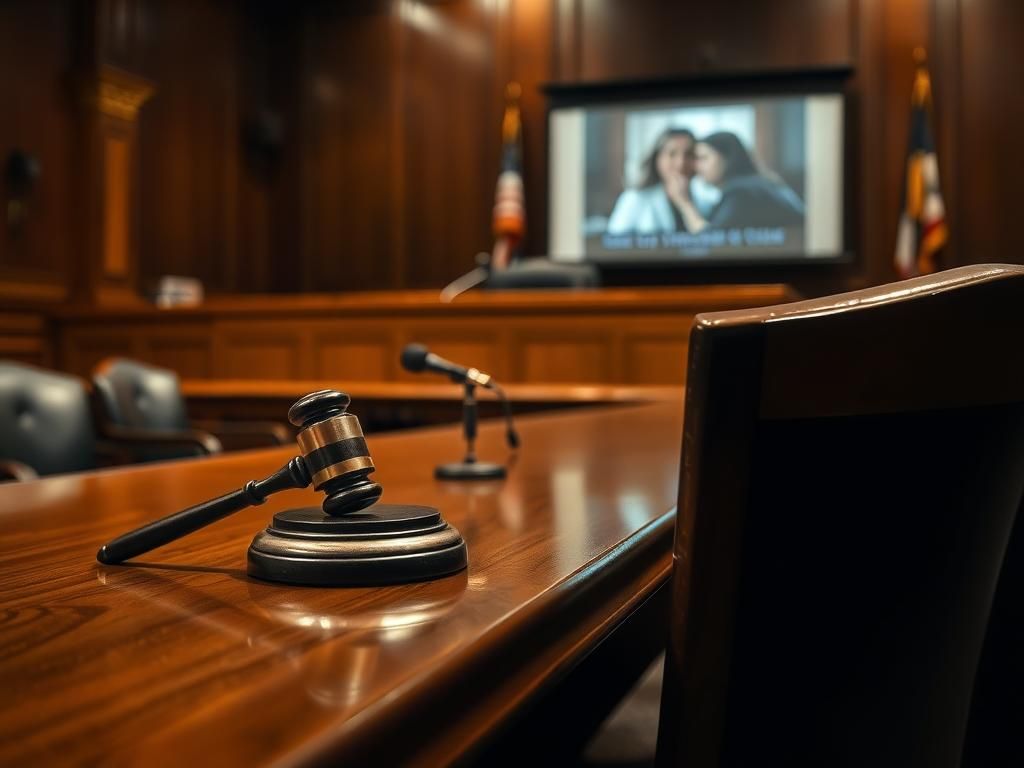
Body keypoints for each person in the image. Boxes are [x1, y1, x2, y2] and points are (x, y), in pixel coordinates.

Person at [675, 131, 805, 233]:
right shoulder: (756, 183)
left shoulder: (741, 192)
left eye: (703, 158)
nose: (696, 166)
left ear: (728, 158)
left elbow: (709, 241)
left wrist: (684, 203)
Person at [607, 128, 696, 234]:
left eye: (688, 154)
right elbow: (614, 243)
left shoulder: (703, 200)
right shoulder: (635, 198)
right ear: (657, 158)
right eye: (672, 154)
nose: (681, 163)